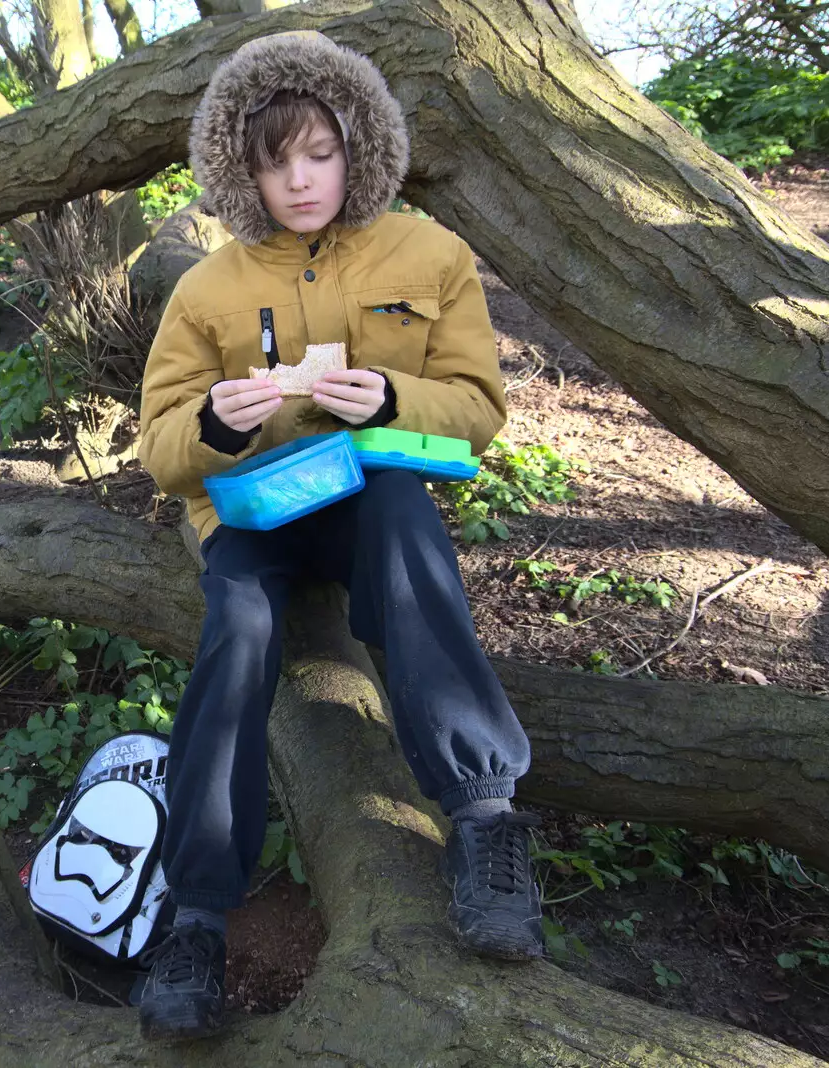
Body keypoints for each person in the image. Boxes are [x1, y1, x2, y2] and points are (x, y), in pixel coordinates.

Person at [134, 31, 541, 1041]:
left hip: (372, 503)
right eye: (275, 163)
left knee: (402, 511)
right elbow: (159, 446)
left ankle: (486, 824)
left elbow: (478, 407)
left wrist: (394, 395)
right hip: (256, 515)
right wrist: (220, 425)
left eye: (317, 153)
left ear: (357, 146)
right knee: (234, 632)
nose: (300, 181)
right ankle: (194, 919)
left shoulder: (429, 253)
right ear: (245, 171)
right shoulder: (207, 289)